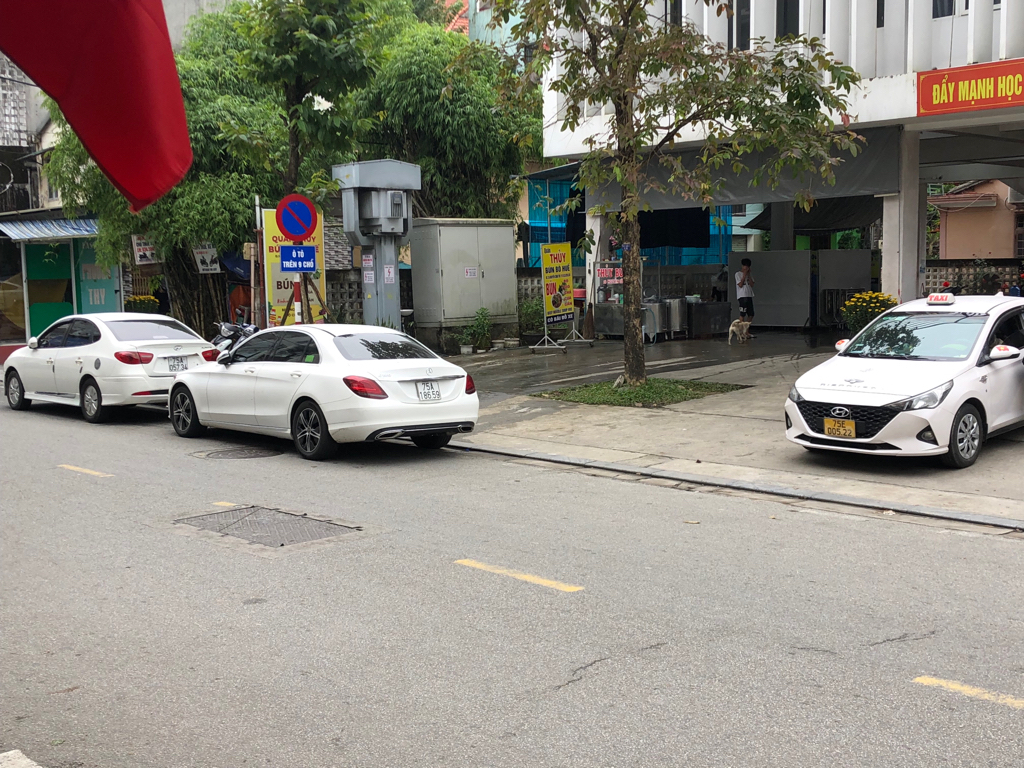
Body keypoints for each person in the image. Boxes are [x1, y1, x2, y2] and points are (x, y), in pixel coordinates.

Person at [735, 257, 755, 336]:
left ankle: (746, 331)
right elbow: (740, 285)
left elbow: (752, 284)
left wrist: (748, 275)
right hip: (742, 296)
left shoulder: (749, 275)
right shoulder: (738, 274)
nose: (746, 268)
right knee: (742, 313)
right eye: (745, 266)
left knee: (751, 314)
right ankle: (740, 332)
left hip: (749, 295)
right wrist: (744, 275)